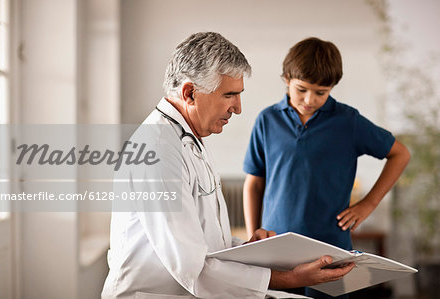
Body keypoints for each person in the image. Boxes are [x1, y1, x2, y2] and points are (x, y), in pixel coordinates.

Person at [101, 32, 354, 299]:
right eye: (229, 95)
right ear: (190, 93)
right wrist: (288, 279)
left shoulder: (188, 138)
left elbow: (205, 243)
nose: (238, 108)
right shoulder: (157, 149)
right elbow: (192, 266)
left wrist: (250, 251)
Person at [243, 37, 411, 298]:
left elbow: (400, 154)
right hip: (276, 247)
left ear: (332, 87)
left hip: (330, 248)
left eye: (321, 92)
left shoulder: (349, 121)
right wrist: (254, 236)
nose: (309, 99)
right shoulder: (267, 120)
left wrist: (368, 204)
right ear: (286, 78)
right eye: (302, 90)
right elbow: (254, 182)